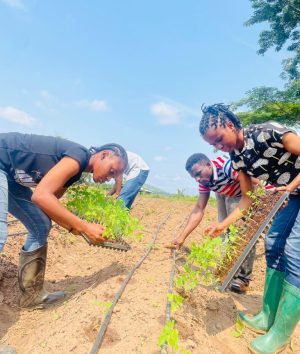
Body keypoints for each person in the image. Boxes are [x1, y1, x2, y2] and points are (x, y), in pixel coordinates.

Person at [199, 103, 300, 354]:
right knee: (273, 244)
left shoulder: (267, 132)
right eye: (215, 145)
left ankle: (280, 334)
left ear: (231, 126)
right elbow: (246, 198)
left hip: (292, 191)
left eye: (220, 139)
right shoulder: (237, 156)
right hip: (291, 196)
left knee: (295, 251)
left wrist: (289, 186)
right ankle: (267, 316)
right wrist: (222, 225)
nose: (220, 147)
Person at [0, 132, 128, 310]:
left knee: (40, 224)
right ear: (104, 155)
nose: (110, 177)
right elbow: (41, 196)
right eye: (112, 171)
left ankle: (31, 297)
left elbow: (50, 203)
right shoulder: (78, 156)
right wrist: (84, 226)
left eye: (114, 177)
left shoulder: (75, 174)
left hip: (9, 177)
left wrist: (74, 226)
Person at [173, 153, 256, 294]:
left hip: (243, 193)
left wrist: (267, 196)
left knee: (241, 233)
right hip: (224, 192)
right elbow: (199, 208)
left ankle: (242, 279)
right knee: (223, 233)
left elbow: (253, 183)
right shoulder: (204, 181)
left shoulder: (226, 166)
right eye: (194, 177)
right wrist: (182, 237)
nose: (197, 179)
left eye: (198, 174)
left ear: (208, 164)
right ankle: (227, 269)